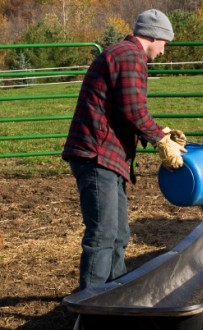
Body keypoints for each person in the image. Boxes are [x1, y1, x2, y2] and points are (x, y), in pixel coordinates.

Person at [62, 9, 187, 290]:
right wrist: (159, 140)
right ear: (154, 35)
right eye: (165, 42)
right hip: (97, 154)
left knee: (119, 234)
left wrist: (159, 132)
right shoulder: (130, 56)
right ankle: (90, 306)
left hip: (105, 155)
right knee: (104, 233)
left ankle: (114, 296)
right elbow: (134, 110)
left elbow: (124, 109)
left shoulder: (123, 54)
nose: (164, 51)